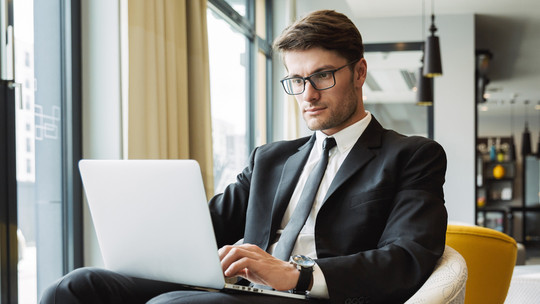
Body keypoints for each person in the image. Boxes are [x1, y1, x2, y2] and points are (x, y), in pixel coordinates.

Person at [41, 9, 447, 304]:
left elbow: (407, 257)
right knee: (74, 287)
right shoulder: (270, 159)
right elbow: (206, 229)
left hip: (316, 297)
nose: (307, 94)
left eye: (323, 76)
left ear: (359, 73)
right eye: (297, 80)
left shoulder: (411, 156)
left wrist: (295, 276)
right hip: (242, 290)